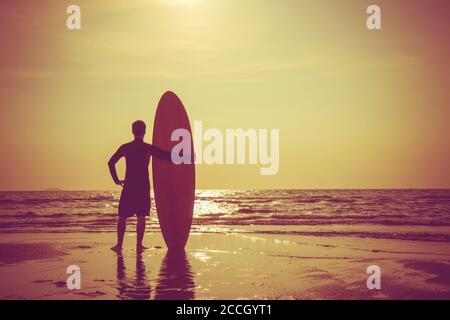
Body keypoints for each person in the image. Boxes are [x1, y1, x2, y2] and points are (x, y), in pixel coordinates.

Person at [108, 120, 170, 253]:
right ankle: (138, 245)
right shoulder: (148, 148)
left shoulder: (125, 147)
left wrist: (116, 181)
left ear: (132, 131)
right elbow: (167, 155)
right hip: (143, 186)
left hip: (129, 185)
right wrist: (187, 157)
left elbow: (110, 163)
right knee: (141, 216)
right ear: (145, 131)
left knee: (122, 216)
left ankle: (119, 245)